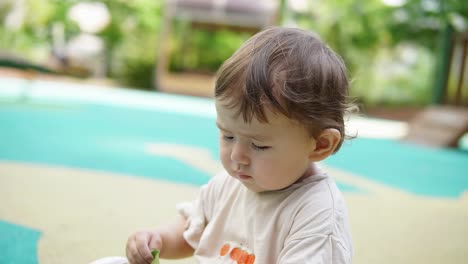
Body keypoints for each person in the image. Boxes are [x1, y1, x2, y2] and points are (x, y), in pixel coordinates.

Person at [94, 26, 354, 264]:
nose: (237, 155)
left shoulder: (316, 212)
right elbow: (188, 235)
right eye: (228, 136)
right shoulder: (228, 185)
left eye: (259, 145)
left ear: (320, 144)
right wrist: (156, 239)